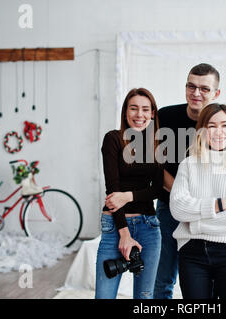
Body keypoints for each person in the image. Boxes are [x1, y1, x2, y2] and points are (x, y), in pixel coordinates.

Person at [169, 103, 226, 298]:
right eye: (211, 126)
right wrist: (218, 204)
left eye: (225, 125)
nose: (219, 132)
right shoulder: (188, 165)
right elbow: (177, 208)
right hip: (192, 252)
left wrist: (195, 224)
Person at [154, 63, 221, 299]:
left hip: (205, 212)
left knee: (202, 280)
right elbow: (154, 164)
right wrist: (181, 195)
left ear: (216, 93)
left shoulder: (220, 123)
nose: (196, 93)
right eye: (191, 86)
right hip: (168, 209)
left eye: (204, 88)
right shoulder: (165, 116)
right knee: (162, 278)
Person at [95, 88, 163, 299]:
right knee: (104, 296)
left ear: (152, 113)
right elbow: (112, 191)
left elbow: (157, 189)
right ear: (125, 112)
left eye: (145, 109)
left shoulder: (158, 144)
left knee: (145, 297)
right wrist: (124, 234)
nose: (139, 115)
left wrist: (128, 196)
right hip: (115, 226)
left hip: (148, 227)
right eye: (133, 108)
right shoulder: (113, 139)